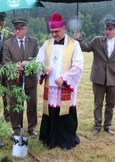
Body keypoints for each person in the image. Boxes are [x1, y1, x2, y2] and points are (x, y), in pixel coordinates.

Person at [36, 12, 84, 150]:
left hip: (64, 86)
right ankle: (49, 137)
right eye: (51, 32)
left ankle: (65, 140)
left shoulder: (74, 44)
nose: (54, 35)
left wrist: (64, 78)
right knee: (51, 111)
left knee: (65, 112)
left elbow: (78, 66)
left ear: (63, 28)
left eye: (56, 31)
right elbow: (38, 61)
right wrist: (43, 68)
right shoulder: (46, 44)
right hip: (50, 86)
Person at [74, 18, 115, 135]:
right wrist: (78, 40)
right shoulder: (97, 40)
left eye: (110, 29)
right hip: (99, 77)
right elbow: (85, 48)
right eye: (106, 29)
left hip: (113, 78)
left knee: (110, 104)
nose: (108, 31)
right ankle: (97, 125)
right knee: (98, 103)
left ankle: (107, 126)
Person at [2, 17, 39, 136]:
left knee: (32, 103)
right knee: (15, 104)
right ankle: (16, 129)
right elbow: (5, 62)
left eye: (20, 29)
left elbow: (38, 60)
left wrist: (30, 64)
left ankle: (32, 127)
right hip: (15, 80)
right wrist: (14, 66)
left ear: (25, 29)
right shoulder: (7, 44)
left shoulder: (34, 42)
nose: (17, 31)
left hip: (30, 79)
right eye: (15, 29)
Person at [0, 11, 14, 122]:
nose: (0, 22)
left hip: (6, 70)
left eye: (2, 20)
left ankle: (8, 117)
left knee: (7, 94)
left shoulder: (11, 35)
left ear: (5, 21)